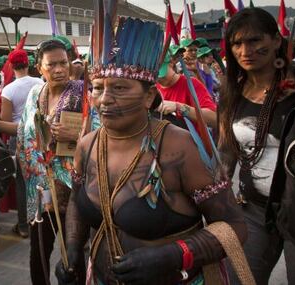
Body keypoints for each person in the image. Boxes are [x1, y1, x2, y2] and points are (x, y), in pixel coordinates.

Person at [55, 16, 246, 285]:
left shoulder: (180, 148)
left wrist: (172, 256)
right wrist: (74, 247)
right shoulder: (87, 145)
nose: (105, 99)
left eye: (120, 88)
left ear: (148, 96)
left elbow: (233, 227)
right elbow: (77, 201)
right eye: (97, 88)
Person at [218, 8, 295, 285]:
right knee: (240, 279)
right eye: (237, 43)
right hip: (252, 209)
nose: (245, 50)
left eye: (254, 40)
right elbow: (227, 152)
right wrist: (220, 201)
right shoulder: (231, 90)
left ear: (276, 41)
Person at [16, 40, 85, 285]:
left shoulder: (83, 92)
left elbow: (105, 135)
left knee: (73, 259)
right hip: (41, 193)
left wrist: (76, 136)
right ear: (39, 68)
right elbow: (24, 136)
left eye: (63, 63)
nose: (58, 69)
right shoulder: (35, 93)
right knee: (39, 256)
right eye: (51, 64)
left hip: (74, 194)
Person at [0, 49, 43, 238]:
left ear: (10, 66)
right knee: (40, 178)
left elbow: (6, 120)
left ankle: (24, 226)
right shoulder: (40, 83)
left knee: (22, 183)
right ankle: (41, 219)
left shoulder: (8, 89)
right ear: (28, 63)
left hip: (19, 138)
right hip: (40, 135)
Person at [156, 50, 217, 130]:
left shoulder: (191, 84)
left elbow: (214, 119)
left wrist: (179, 107)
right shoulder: (153, 88)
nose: (159, 79)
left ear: (171, 63)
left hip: (193, 140)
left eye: (161, 74)